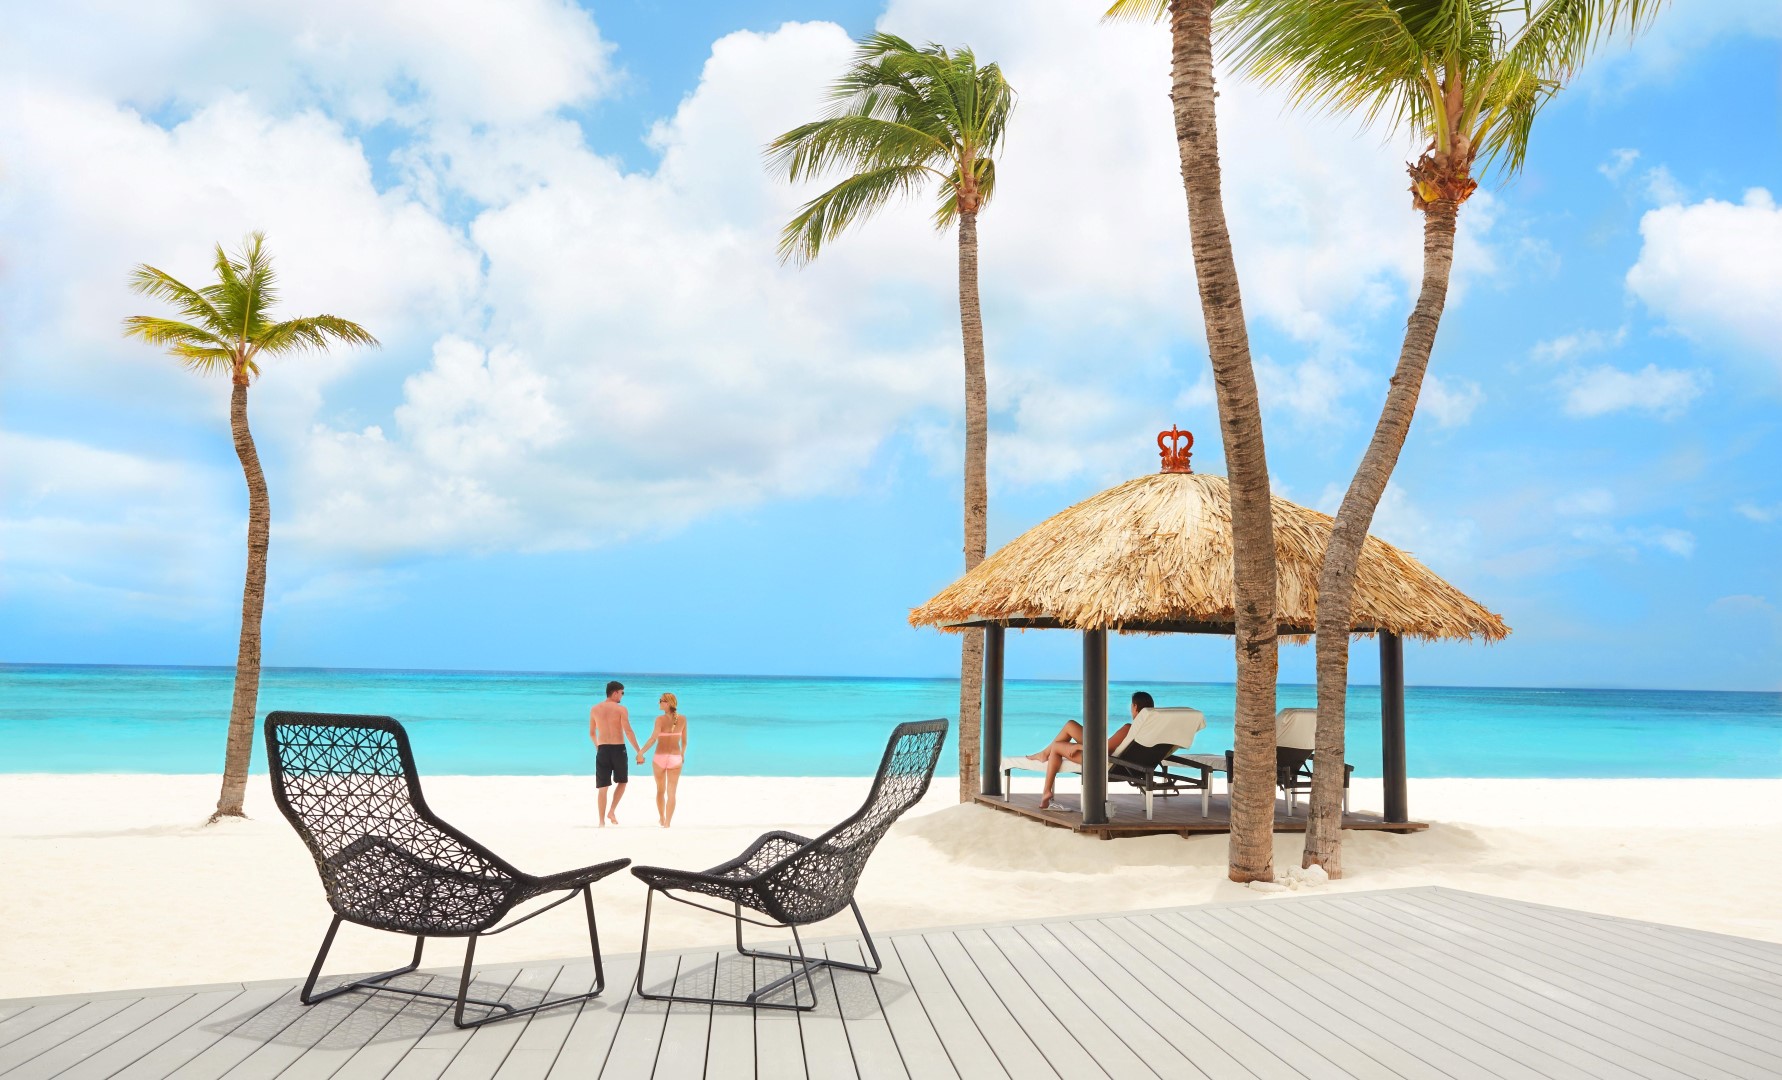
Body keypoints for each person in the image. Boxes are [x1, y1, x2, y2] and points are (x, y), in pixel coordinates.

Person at [1032, 691, 1155, 810]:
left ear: (1135, 706)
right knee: (1070, 725)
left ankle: (1046, 788)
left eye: (1131, 705)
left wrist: (1078, 747)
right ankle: (1044, 760)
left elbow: (1105, 749)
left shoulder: (1128, 728)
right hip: (1123, 763)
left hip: (1101, 760)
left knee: (1057, 746)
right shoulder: (1150, 732)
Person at [589, 680, 642, 826]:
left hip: (603, 749)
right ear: (615, 693)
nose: (622, 696)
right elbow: (628, 731)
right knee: (622, 781)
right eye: (622, 693)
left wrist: (598, 746)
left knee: (603, 787)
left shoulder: (594, 709)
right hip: (618, 749)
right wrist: (639, 751)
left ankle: (601, 822)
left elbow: (592, 733)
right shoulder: (621, 709)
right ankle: (611, 811)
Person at [638, 692, 689, 827]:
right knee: (672, 793)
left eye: (661, 700)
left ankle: (662, 817)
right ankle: (667, 823)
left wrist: (641, 752)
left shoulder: (659, 719)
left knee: (660, 790)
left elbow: (653, 739)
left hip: (660, 757)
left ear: (668, 703)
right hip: (675, 757)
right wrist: (682, 754)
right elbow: (684, 741)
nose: (659, 703)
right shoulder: (683, 719)